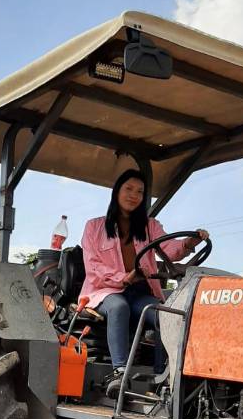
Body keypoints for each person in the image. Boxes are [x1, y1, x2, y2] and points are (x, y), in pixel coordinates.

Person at [81, 168, 208, 398]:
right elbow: (93, 266)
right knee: (119, 306)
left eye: (139, 192)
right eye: (129, 189)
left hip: (140, 292)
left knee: (166, 316)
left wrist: (189, 243)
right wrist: (123, 277)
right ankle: (119, 373)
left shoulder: (150, 226)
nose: (134, 195)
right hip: (105, 291)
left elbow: (170, 249)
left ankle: (163, 379)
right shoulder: (94, 227)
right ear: (117, 191)